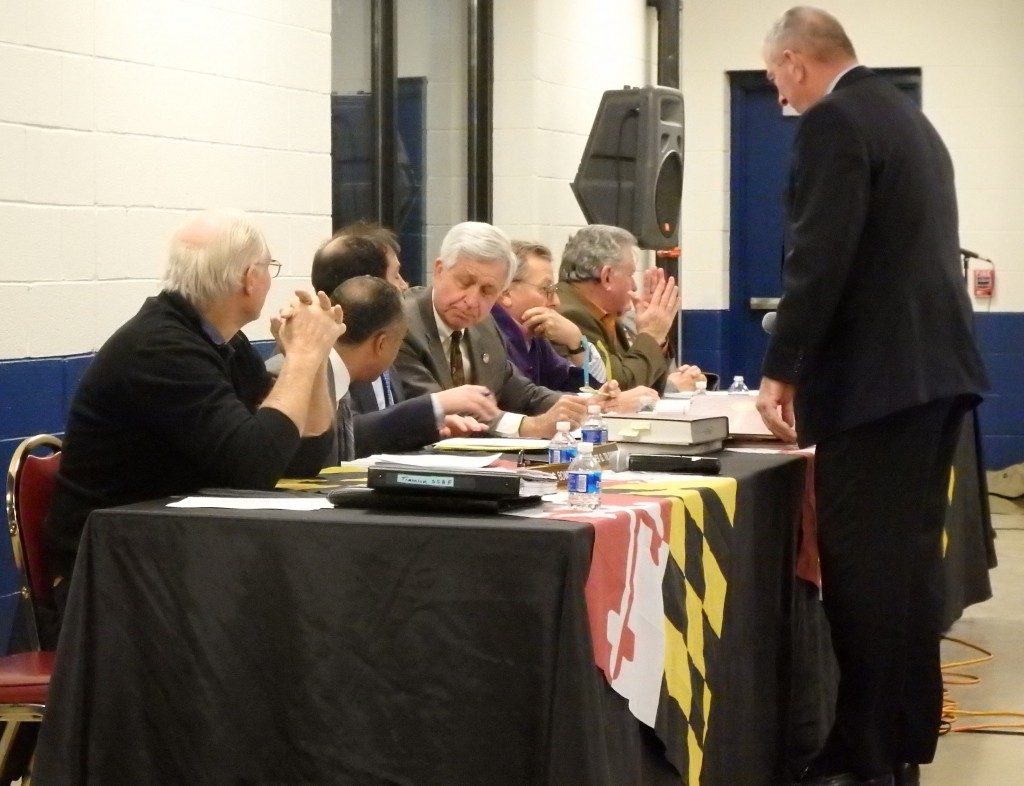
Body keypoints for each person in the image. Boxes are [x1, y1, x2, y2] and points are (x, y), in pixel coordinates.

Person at [755, 9, 989, 786]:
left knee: (861, 576)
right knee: (905, 571)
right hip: (930, 378)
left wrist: (782, 366)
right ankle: (893, 740)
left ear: (794, 63)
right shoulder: (907, 120)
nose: (778, 93)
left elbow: (819, 256)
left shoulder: (835, 122)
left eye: (773, 77)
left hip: (879, 388)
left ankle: (862, 755)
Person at [45, 209, 344, 613]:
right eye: (269, 266)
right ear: (248, 278)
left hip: (173, 558)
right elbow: (254, 467)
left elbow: (304, 458)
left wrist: (315, 354)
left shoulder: (227, 345)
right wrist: (302, 358)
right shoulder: (161, 348)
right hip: (107, 579)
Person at [310, 229, 497, 458]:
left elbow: (385, 427)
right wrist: (435, 405)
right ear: (367, 287)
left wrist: (431, 426)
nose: (404, 285)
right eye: (396, 275)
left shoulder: (384, 344)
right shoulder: (316, 356)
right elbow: (342, 439)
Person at [395, 222, 588, 437]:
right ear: (439, 271)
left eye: (487, 291)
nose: (471, 301)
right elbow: (444, 412)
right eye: (464, 282)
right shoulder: (403, 324)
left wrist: (581, 406)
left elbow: (522, 392)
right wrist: (532, 426)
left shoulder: (484, 324)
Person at [493, 240, 662, 410]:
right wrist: (601, 405)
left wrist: (577, 341)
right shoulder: (491, 336)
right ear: (505, 293)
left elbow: (586, 385)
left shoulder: (535, 337)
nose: (556, 302)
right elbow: (528, 400)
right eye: (546, 289)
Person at [555, 224, 682, 392]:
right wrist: (651, 334)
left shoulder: (603, 315)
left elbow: (646, 385)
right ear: (606, 277)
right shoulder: (570, 314)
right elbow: (617, 388)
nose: (635, 286)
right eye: (630, 275)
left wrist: (658, 339)